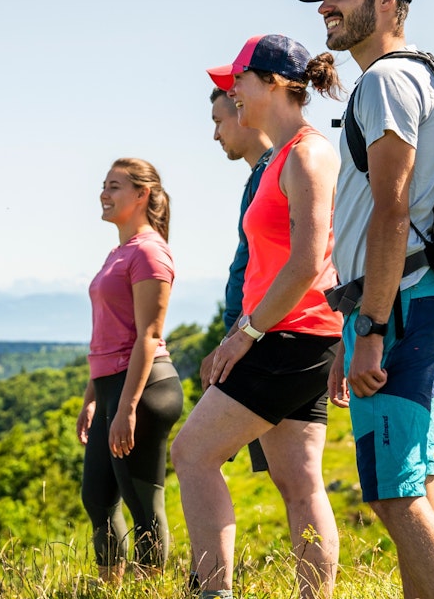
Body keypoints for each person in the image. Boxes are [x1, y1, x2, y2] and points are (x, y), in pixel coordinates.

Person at [294, 0, 434, 599]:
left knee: (394, 493)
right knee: (415, 479)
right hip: (407, 297)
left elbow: (392, 212)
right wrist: (356, 325)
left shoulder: (386, 82)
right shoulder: (418, 76)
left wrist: (368, 328)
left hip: (398, 303)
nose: (326, 6)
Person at [172, 35, 345, 599]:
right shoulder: (284, 156)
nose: (234, 93)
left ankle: (214, 591)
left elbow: (308, 262)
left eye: (240, 80)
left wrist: (243, 335)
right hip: (296, 333)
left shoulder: (308, 155)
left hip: (288, 335)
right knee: (299, 482)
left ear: (272, 83)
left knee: (192, 453)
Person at [77, 157, 186, 584]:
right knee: (98, 498)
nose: (103, 194)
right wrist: (92, 399)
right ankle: (112, 587)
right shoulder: (119, 253)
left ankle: (150, 589)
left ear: (142, 194)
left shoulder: (149, 252)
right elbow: (107, 336)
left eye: (114, 186)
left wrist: (127, 408)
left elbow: (148, 336)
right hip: (112, 388)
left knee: (143, 503)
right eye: (104, 185)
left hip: (143, 389)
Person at [209, 87, 275, 475]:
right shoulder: (260, 175)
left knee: (194, 453)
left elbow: (266, 267)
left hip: (259, 338)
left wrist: (237, 336)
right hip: (250, 333)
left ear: (242, 111)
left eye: (219, 122)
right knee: (290, 475)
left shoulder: (270, 173)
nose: (215, 134)